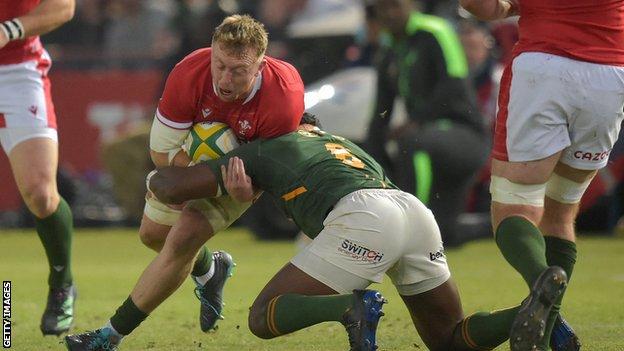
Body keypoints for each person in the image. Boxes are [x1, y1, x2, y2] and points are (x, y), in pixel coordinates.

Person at [66, 114, 567, 351]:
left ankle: (350, 307)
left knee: (263, 316)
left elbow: (173, 187)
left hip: (364, 217)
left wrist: (163, 167)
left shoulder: (264, 147)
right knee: (451, 343)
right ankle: (531, 312)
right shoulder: (336, 141)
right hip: (412, 211)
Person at [65, 14, 304, 349]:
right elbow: (161, 151)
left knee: (182, 239)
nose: (225, 78)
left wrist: (244, 191)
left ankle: (108, 336)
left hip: (243, 174)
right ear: (211, 51)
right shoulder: (190, 71)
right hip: (186, 161)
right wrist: (192, 176)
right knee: (153, 236)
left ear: (261, 65)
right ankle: (211, 268)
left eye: (238, 70)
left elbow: (270, 169)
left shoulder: (284, 96)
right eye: (219, 64)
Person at [460, 0, 624, 350]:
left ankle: (541, 280)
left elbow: (479, 5)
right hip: (611, 74)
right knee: (561, 212)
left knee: (514, 207)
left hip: (544, 67)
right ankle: (545, 335)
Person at [366, 0, 489, 246]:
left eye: (395, 6)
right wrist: (371, 152)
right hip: (428, 135)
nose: (390, 13)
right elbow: (381, 111)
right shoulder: (390, 49)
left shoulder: (435, 31)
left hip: (463, 134)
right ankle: (496, 224)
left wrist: (416, 120)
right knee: (444, 236)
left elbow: (453, 85)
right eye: (383, 8)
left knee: (411, 144)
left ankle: (410, 222)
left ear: (411, 5)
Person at [0, 0, 76, 336]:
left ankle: (62, 283)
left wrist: (8, 30)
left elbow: (63, 7)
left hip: (16, 69)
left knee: (41, 194)